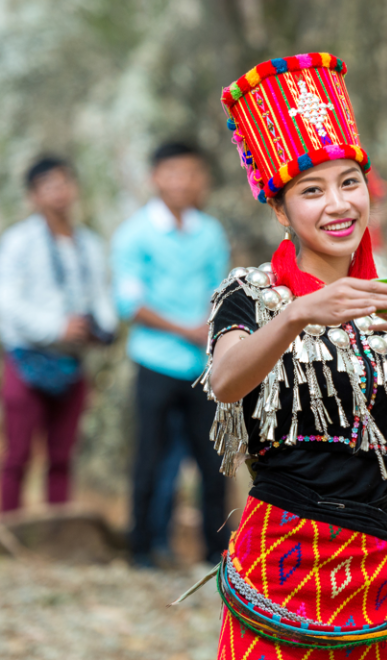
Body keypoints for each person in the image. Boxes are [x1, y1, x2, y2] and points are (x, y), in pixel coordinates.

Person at [204, 52, 387, 658]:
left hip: (377, 554)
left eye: (350, 182)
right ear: (280, 210)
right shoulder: (252, 294)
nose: (339, 203)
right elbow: (224, 382)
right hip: (281, 552)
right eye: (312, 191)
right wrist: (296, 314)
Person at [111, 141, 230, 569]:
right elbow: (131, 304)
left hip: (202, 367)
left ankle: (217, 552)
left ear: (202, 179)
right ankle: (141, 549)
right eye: (173, 172)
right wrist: (187, 330)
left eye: (191, 173)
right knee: (150, 457)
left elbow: (221, 290)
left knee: (213, 459)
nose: (183, 181)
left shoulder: (210, 232)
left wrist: (209, 329)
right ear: (155, 177)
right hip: (155, 361)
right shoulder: (134, 234)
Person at [0, 157, 116, 512]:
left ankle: (58, 532)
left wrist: (102, 328)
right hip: (27, 361)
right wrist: (56, 327)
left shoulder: (89, 244)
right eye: (49, 185)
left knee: (62, 457)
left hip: (72, 363)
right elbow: (7, 303)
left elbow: (101, 296)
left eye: (64, 183)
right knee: (18, 454)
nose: (59, 192)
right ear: (33, 196)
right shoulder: (19, 241)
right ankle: (9, 532)